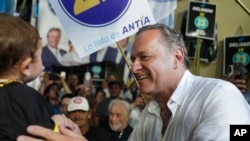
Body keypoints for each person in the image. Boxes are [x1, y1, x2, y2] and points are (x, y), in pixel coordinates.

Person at [127, 24, 250, 141]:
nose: (133, 68)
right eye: (133, 60)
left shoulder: (220, 96)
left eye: (144, 57)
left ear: (177, 57)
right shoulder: (149, 112)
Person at [0, 13, 80, 140]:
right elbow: (46, 132)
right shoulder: (26, 97)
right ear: (26, 66)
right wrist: (56, 123)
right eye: (39, 57)